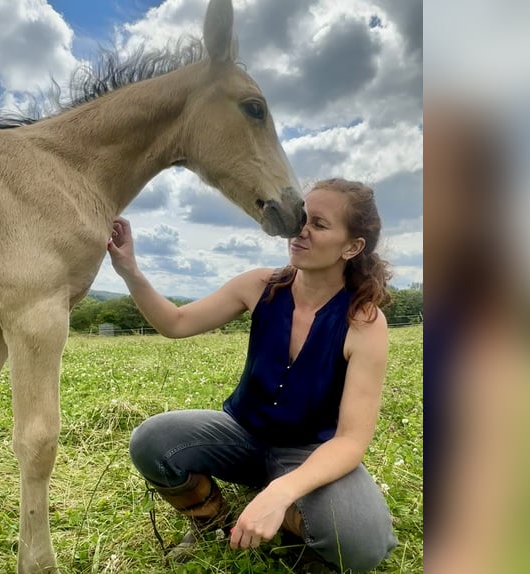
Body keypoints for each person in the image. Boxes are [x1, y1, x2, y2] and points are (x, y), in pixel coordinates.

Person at [106, 178, 398, 572]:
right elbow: (175, 323)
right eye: (300, 218)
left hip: (309, 452)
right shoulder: (260, 285)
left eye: (318, 224)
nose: (300, 231)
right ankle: (213, 520)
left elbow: (350, 440)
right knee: (153, 440)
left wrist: (282, 491)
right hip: (241, 435)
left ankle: (288, 517)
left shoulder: (363, 322)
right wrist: (130, 271)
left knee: (362, 544)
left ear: (352, 246)